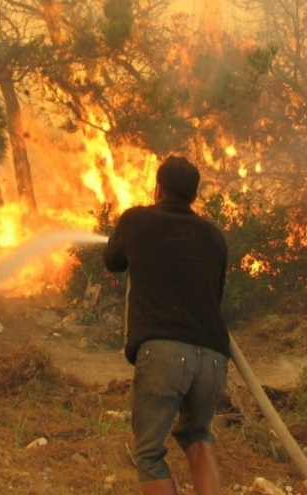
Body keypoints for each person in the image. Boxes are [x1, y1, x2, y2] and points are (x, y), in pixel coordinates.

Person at [103, 155, 230, 495]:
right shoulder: (214, 236)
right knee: (198, 435)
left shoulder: (136, 221)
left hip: (164, 354)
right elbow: (215, 296)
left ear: (157, 189)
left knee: (149, 453)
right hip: (214, 358)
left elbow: (112, 261)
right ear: (194, 195)